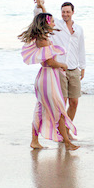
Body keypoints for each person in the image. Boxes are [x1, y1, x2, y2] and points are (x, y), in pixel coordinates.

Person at [19, 13, 79, 151]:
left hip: (44, 77)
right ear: (46, 23)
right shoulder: (43, 40)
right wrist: (63, 66)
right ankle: (66, 142)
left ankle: (35, 141)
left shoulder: (42, 37)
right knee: (59, 109)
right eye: (51, 21)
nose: (53, 23)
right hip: (48, 78)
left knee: (40, 110)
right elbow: (50, 62)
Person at [33, 0, 86, 122]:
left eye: (68, 12)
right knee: (63, 103)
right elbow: (41, 16)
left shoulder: (79, 29)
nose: (65, 14)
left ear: (73, 12)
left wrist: (83, 67)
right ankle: (62, 133)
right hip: (60, 69)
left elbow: (81, 48)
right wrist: (40, 5)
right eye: (63, 11)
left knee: (74, 102)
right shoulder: (56, 24)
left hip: (74, 69)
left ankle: (67, 130)